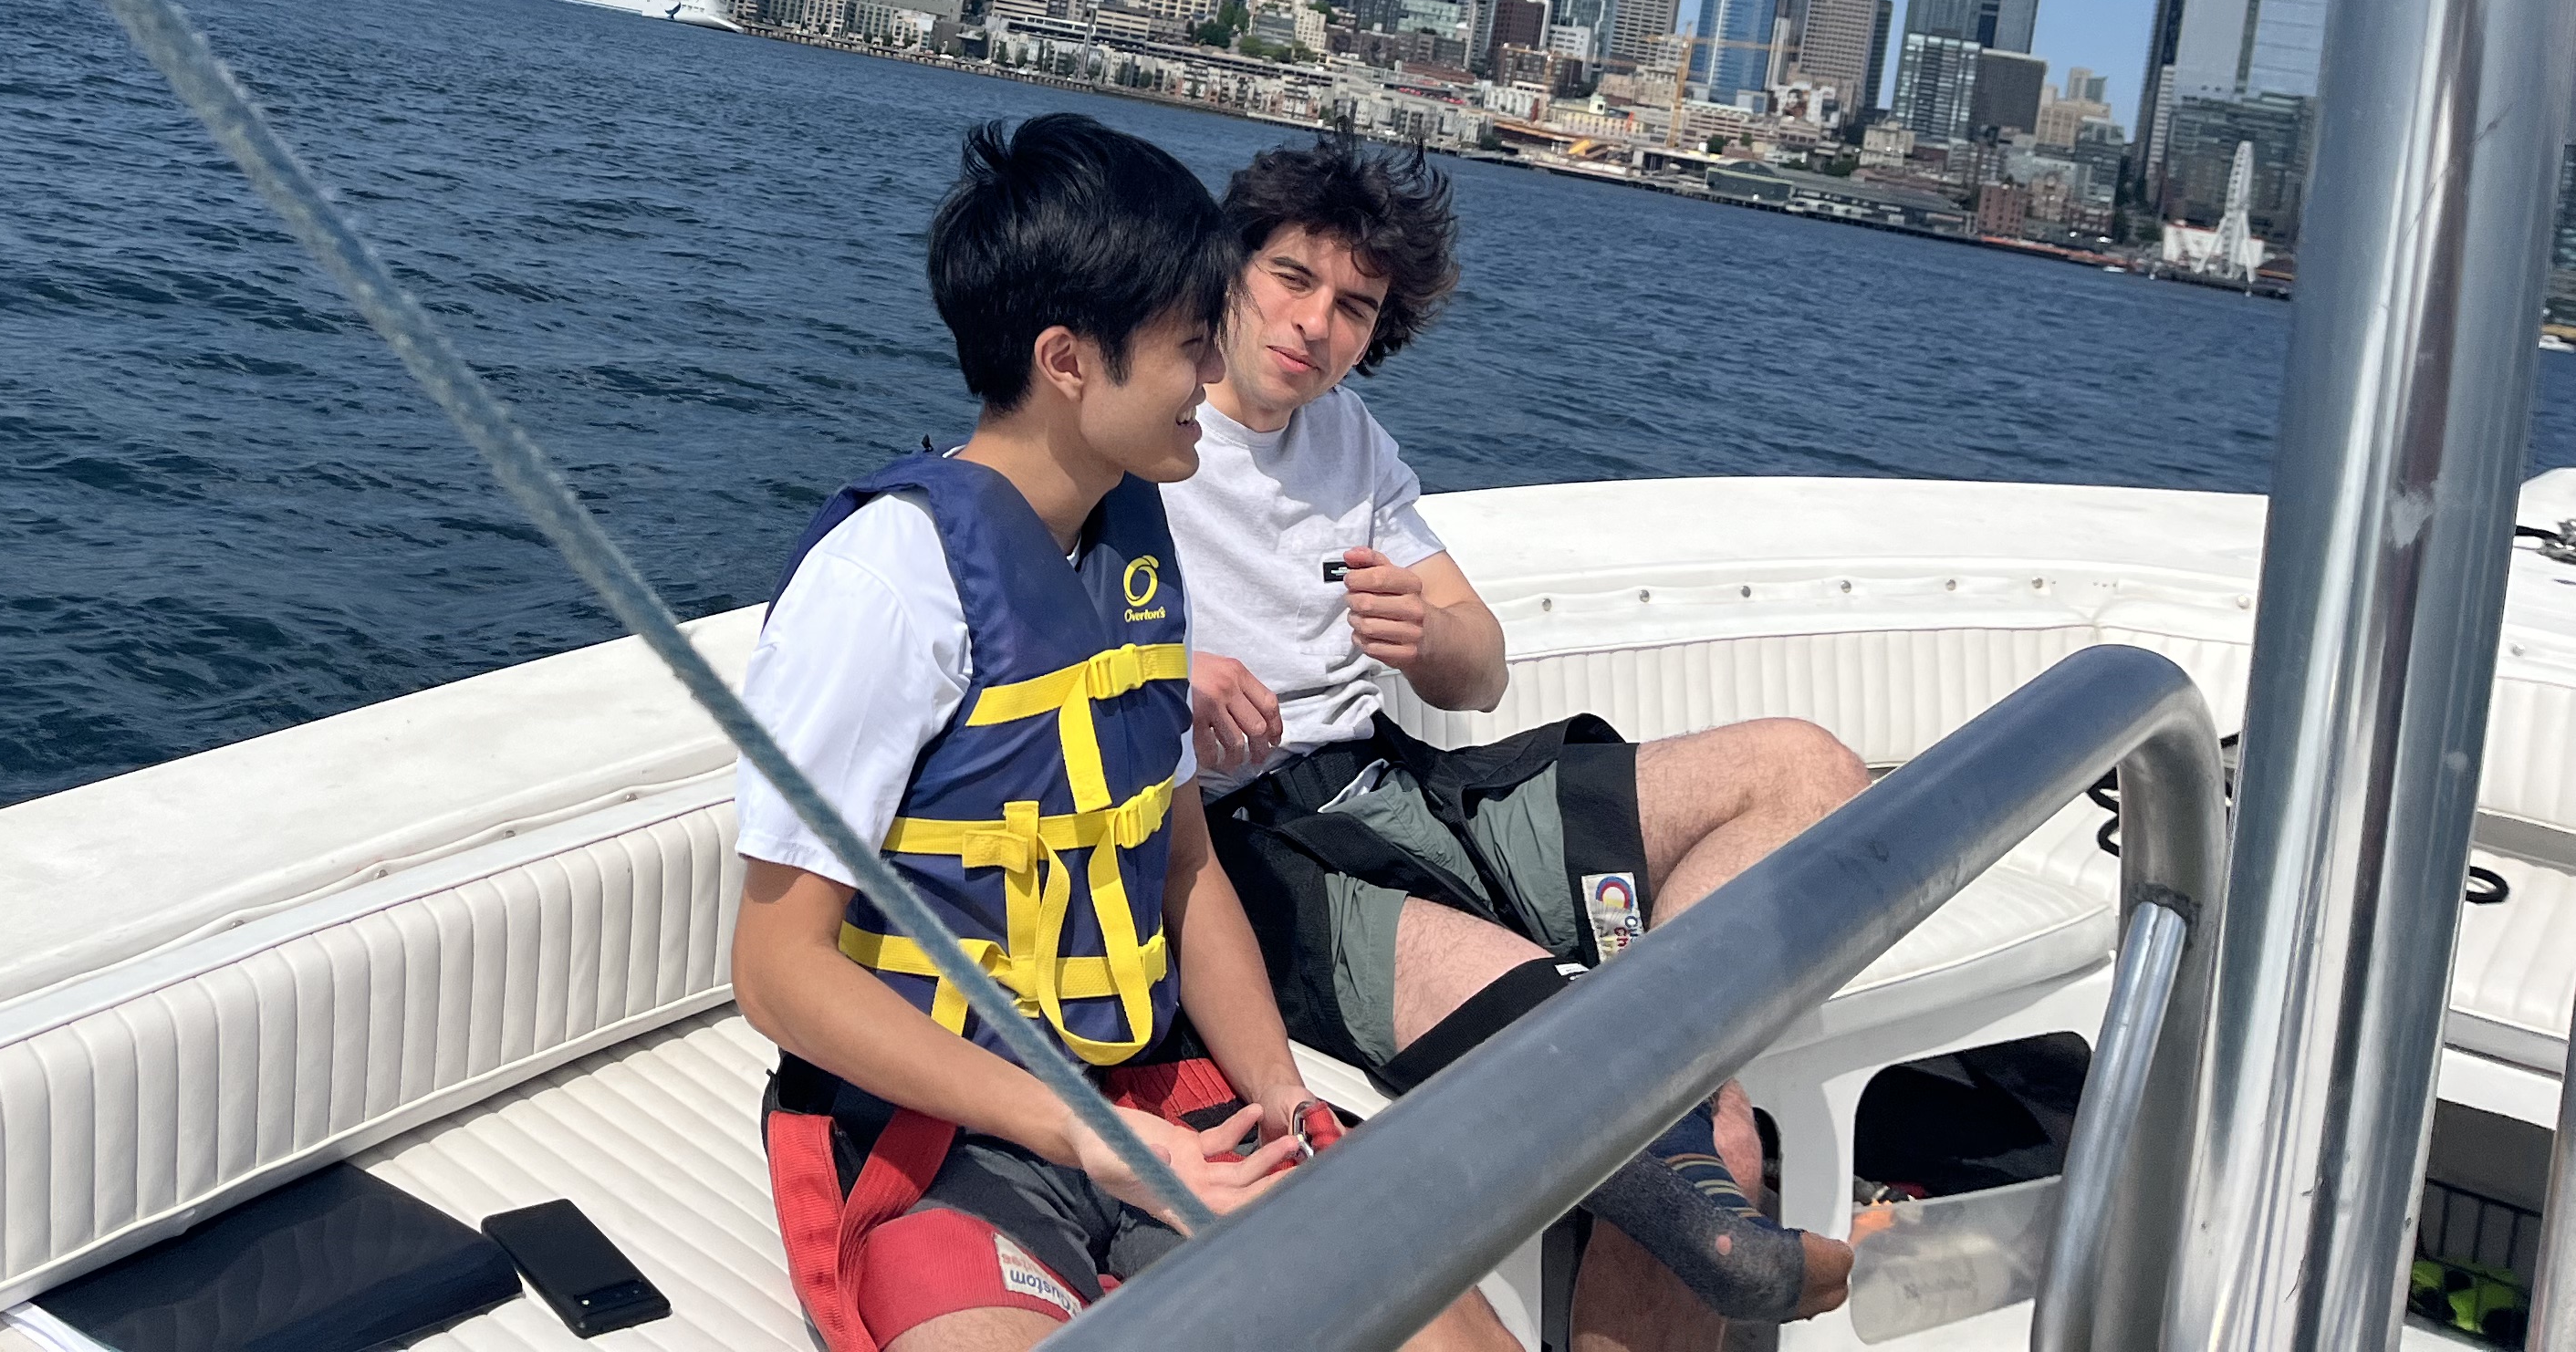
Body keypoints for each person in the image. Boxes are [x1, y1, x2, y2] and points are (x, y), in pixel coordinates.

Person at [730, 114, 1517, 1352]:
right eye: (1189, 345)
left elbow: (1184, 864)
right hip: (938, 1143)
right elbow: (779, 969)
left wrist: (1282, 1100)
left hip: (1144, 1085)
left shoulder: (1138, 554)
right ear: (1067, 361)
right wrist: (1081, 1135)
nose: (1214, 376)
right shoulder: (887, 583)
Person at [1170, 133, 1871, 1346]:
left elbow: (1481, 667)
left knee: (1811, 770)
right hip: (1260, 848)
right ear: (1231, 264)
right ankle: (1686, 1121)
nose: (1315, 325)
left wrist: (1425, 632)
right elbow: (1017, 611)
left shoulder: (1351, 441)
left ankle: (1679, 1045)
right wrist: (1165, 675)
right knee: (1696, 1140)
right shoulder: (1147, 422)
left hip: (1402, 784)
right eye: (1292, 277)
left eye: (1354, 307)